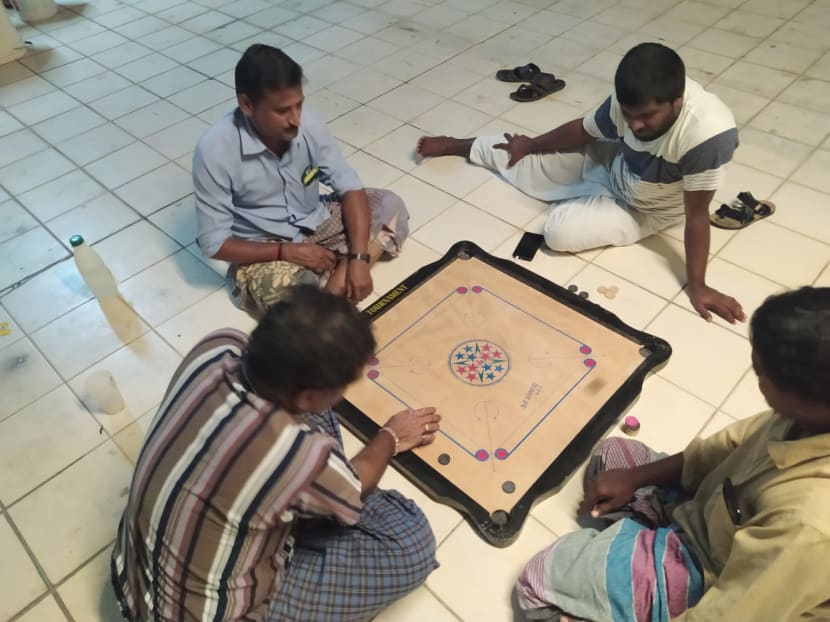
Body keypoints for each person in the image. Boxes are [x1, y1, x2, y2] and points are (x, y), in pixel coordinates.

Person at [111, 285, 440, 622]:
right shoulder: (294, 452)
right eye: (344, 386)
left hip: (133, 579)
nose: (343, 396)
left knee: (316, 434)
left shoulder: (217, 345)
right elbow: (356, 488)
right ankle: (319, 494)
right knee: (409, 543)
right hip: (197, 615)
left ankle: (311, 493)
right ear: (308, 396)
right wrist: (389, 437)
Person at [515, 286, 830, 621]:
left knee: (539, 580)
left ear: (802, 397)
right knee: (613, 455)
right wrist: (636, 477)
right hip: (709, 513)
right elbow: (721, 449)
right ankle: (644, 547)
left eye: (761, 373)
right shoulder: (805, 416)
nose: (758, 380)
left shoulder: (808, 527)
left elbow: (730, 613)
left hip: (714, 572)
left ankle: (651, 571)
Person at [417, 43, 743, 325]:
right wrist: (530, 145)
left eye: (646, 116)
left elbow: (697, 215)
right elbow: (584, 130)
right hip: (613, 163)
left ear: (677, 100)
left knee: (558, 234)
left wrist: (698, 285)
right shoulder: (630, 100)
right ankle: (456, 144)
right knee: (517, 156)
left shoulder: (707, 135)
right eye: (629, 115)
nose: (634, 124)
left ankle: (580, 198)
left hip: (646, 208)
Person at [193, 44, 410, 318]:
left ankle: (335, 283)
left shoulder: (307, 124)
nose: (295, 119)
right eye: (283, 110)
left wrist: (358, 260)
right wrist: (287, 252)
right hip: (264, 246)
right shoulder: (215, 150)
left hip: (314, 221)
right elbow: (215, 243)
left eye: (299, 104)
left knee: (390, 205)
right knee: (288, 293)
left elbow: (350, 187)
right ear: (247, 105)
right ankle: (326, 290)